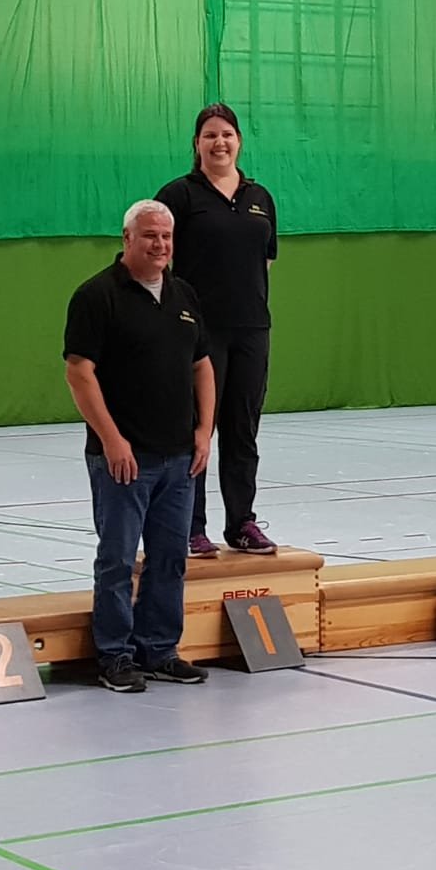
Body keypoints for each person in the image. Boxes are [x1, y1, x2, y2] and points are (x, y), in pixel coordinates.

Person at [63, 199, 216, 693]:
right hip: (124, 460)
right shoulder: (96, 296)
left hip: (180, 459)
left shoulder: (184, 294)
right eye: (150, 235)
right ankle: (114, 656)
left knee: (170, 558)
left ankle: (159, 650)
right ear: (127, 238)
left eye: (167, 237)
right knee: (118, 560)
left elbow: (202, 365)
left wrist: (204, 432)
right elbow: (79, 373)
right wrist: (112, 440)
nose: (160, 245)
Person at [156, 103, 280, 560]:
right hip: (199, 335)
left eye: (226, 134)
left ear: (239, 141)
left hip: (252, 330)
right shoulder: (179, 195)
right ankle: (191, 526)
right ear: (197, 144)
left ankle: (242, 523)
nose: (219, 142)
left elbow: (265, 261)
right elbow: (158, 260)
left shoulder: (260, 197)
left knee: (243, 429)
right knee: (196, 430)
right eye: (210, 135)